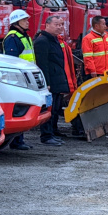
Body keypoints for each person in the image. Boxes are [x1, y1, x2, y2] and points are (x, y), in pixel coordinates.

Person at [2, 9, 35, 150]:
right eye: (25, 20)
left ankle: (19, 139)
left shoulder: (23, 36)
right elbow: (12, 60)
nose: (28, 22)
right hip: (18, 80)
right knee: (18, 109)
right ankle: (16, 141)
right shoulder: (13, 38)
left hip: (26, 78)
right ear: (16, 23)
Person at [33, 15, 68, 146]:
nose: (60, 27)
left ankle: (53, 131)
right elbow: (42, 64)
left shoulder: (55, 40)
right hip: (50, 82)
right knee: (49, 109)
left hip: (57, 79)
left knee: (56, 108)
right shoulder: (42, 41)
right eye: (57, 24)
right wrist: (46, 83)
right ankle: (46, 135)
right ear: (47, 25)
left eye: (61, 24)